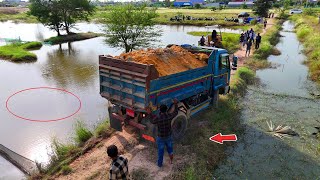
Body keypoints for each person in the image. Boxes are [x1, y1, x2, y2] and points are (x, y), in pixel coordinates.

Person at [149, 99, 179, 168]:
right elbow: (176, 112)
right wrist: (175, 104)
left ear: (160, 110)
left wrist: (150, 113)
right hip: (168, 136)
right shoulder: (169, 116)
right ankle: (171, 161)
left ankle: (159, 165)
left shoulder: (158, 118)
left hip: (161, 138)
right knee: (170, 149)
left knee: (160, 152)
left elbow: (152, 121)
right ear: (166, 110)